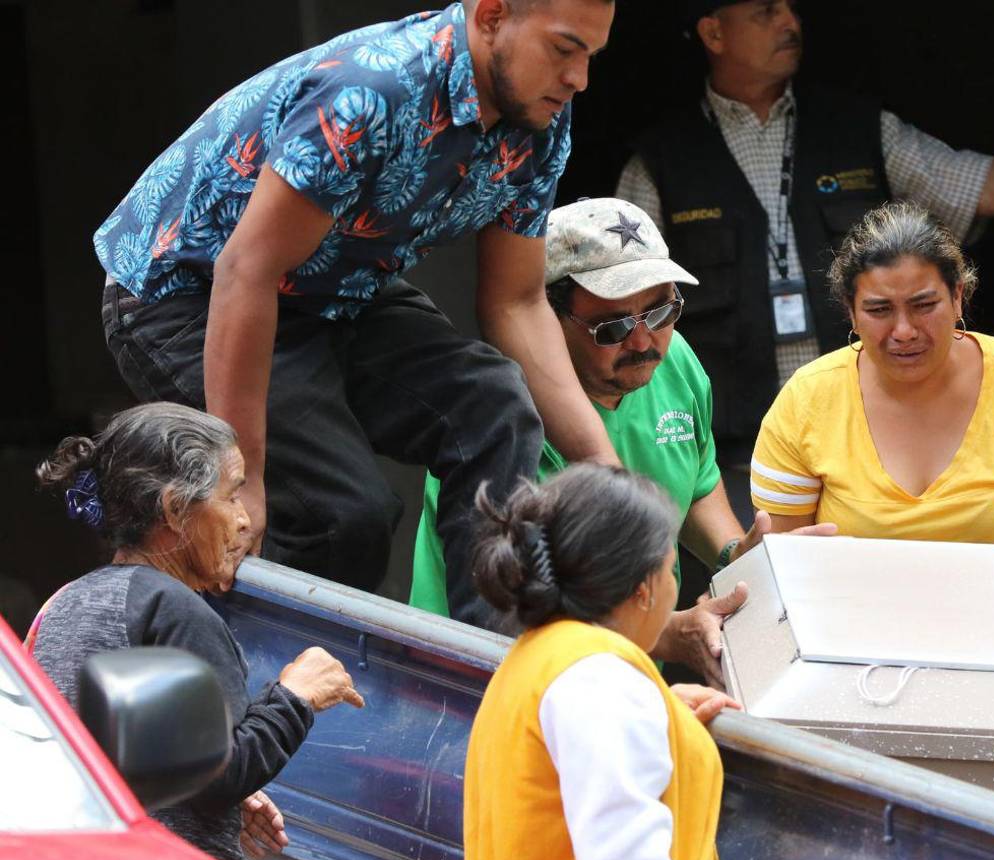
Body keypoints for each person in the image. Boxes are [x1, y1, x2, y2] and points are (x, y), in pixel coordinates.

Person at [95, 0, 617, 628]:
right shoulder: (374, 90)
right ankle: (276, 680)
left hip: (336, 289)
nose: (579, 78)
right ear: (491, 16)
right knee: (339, 515)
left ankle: (492, 667)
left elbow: (517, 301)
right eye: (563, 50)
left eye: (592, 56)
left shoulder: (539, 115)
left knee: (494, 407)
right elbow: (247, 271)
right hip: (190, 293)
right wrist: (243, 480)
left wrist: (606, 472)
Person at [616, 0, 994, 514]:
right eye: (766, 12)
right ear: (714, 33)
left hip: (867, 458)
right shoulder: (662, 159)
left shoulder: (857, 126)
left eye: (792, 9)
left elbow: (984, 190)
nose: (790, 22)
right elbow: (625, 305)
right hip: (732, 465)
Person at [410, 197, 834, 683]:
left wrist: (740, 558)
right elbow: (526, 616)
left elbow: (694, 483)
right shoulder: (500, 419)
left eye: (660, 312)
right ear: (547, 321)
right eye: (611, 327)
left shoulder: (675, 363)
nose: (642, 342)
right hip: (477, 676)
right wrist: (670, 633)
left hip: (620, 674)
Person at [31, 403, 365, 860]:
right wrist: (297, 696)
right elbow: (218, 777)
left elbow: (139, 762)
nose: (245, 520)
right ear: (174, 509)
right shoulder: (172, 607)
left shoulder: (65, 602)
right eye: (231, 496)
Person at [751, 202, 994, 622]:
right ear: (851, 310)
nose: (904, 331)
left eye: (923, 305)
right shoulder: (806, 401)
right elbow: (777, 556)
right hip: (855, 642)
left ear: (958, 296)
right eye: (879, 310)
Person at [464, 463, 738, 860]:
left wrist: (662, 714)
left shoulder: (541, 661)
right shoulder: (600, 683)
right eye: (669, 568)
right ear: (644, 588)